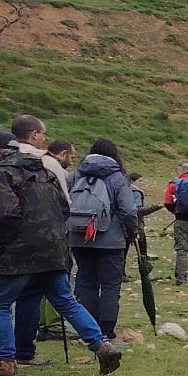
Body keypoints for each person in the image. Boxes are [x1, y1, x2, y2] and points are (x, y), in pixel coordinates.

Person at [0, 128, 122, 376]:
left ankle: (4, 360)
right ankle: (102, 346)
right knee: (66, 302)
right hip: (54, 248)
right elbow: (64, 208)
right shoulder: (46, 172)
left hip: (18, 251)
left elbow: (0, 215)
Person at [68, 137, 140, 340]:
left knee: (86, 281)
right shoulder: (117, 178)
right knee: (110, 285)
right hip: (111, 240)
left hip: (79, 236)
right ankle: (106, 330)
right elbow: (128, 210)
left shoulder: (76, 175)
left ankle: (88, 328)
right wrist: (132, 231)